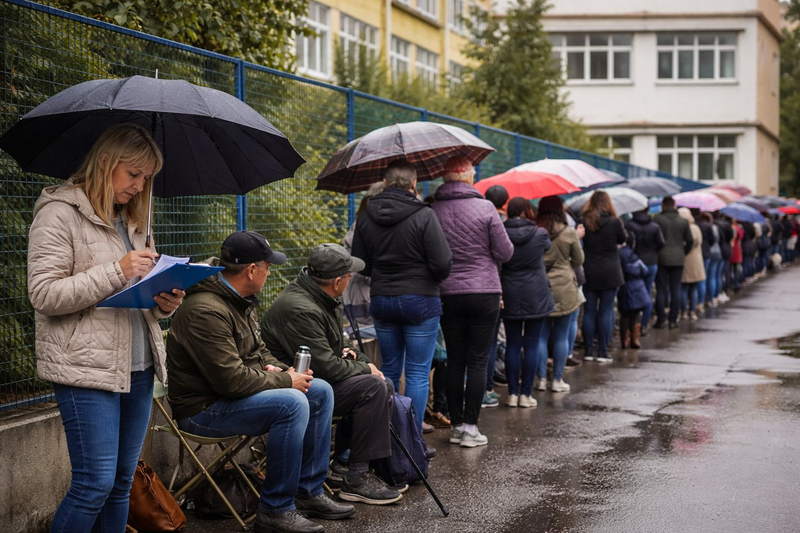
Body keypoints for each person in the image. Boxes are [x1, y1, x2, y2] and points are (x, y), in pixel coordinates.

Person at [26, 124, 184, 532]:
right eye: (133, 174)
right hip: (86, 369)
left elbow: (136, 296)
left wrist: (164, 301)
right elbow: (44, 294)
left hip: (138, 366)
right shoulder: (59, 213)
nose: (139, 185)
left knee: (119, 485)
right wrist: (117, 269)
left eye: (146, 177)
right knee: (93, 484)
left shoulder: (134, 221)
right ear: (105, 163)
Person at [167, 232, 352, 533]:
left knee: (319, 391)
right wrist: (283, 380)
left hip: (231, 397)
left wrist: (282, 370)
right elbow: (231, 381)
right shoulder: (206, 311)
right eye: (267, 266)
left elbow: (259, 352)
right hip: (202, 410)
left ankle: (308, 491)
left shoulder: (238, 301)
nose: (269, 272)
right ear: (252, 270)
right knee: (291, 403)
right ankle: (275, 510)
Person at [261, 243, 402, 505]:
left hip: (317, 379)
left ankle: (344, 463)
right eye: (349, 275)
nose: (351, 279)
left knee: (382, 383)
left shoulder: (321, 297)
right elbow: (327, 366)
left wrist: (359, 360)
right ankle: (357, 478)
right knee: (372, 387)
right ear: (338, 281)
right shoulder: (301, 307)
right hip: (298, 386)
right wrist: (365, 366)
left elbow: (340, 348)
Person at [350, 160, 452, 431]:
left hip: (382, 298)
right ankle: (412, 438)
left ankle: (388, 434)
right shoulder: (424, 214)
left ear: (384, 183)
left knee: (390, 370)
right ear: (414, 184)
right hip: (420, 300)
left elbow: (360, 263)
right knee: (418, 373)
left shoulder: (365, 216)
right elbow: (442, 264)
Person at [432, 156, 514, 448]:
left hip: (447, 292)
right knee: (478, 360)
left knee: (455, 360)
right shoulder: (486, 207)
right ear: (469, 177)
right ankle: (470, 428)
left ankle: (455, 427)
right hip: (484, 292)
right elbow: (505, 252)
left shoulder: (432, 210)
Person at [499, 197, 554, 407]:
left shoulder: (502, 232)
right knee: (531, 344)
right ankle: (526, 395)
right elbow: (547, 248)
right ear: (526, 210)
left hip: (510, 290)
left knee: (512, 344)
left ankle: (512, 394)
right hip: (536, 292)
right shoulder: (540, 233)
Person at [536, 195, 584, 392]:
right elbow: (579, 259)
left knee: (540, 336)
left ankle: (540, 380)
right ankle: (557, 380)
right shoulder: (569, 232)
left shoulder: (536, 230)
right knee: (562, 336)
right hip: (565, 286)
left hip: (540, 285)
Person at [580, 190, 626, 363]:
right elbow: (623, 239)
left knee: (589, 312)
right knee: (606, 311)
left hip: (589, 270)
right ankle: (602, 351)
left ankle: (588, 351)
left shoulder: (584, 220)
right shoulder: (615, 222)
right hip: (610, 270)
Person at [482, 184, 510, 408]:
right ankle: (487, 388)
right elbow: (504, 255)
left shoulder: (476, 214)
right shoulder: (497, 220)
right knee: (489, 344)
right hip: (492, 287)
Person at [342, 181, 385, 325]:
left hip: (362, 291)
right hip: (363, 293)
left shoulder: (360, 223)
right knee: (367, 336)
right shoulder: (363, 226)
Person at [653, 196, 693, 329]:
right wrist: (683, 252)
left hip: (661, 258)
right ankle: (673, 319)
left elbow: (655, 239)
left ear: (663, 206)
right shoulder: (683, 221)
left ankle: (660, 319)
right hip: (678, 258)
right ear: (674, 205)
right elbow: (690, 240)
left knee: (661, 289)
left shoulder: (657, 220)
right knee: (676, 288)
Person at [624, 208, 664, 335]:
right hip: (651, 261)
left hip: (633, 262)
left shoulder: (629, 225)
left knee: (630, 292)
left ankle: (630, 327)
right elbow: (661, 243)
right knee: (647, 294)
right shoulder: (654, 226)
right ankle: (643, 325)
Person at [618, 232, 651, 349]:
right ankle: (634, 339)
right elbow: (645, 271)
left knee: (625, 314)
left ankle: (624, 339)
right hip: (638, 287)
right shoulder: (633, 255)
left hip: (625, 287)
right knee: (636, 314)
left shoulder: (620, 254)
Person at [678, 208, 705, 321]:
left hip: (683, 259)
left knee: (683, 288)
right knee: (693, 288)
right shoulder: (695, 228)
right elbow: (699, 241)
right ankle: (692, 311)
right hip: (696, 259)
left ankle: (683, 311)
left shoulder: (679, 228)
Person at [694, 211, 716, 309]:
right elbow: (713, 240)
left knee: (695, 280)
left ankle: (696, 301)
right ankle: (704, 300)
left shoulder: (694, 226)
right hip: (706, 252)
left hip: (695, 254)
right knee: (705, 277)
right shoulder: (708, 226)